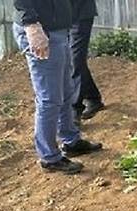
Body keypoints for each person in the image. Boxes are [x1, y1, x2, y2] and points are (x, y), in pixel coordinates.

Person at [14, 0, 102, 174]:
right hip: (42, 31)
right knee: (50, 98)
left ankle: (71, 140)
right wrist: (31, 25)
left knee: (67, 90)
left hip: (58, 30)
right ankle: (49, 157)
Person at [71, 0, 104, 124]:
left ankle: (75, 108)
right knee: (74, 60)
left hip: (80, 13)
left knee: (75, 59)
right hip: (60, 18)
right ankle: (93, 97)